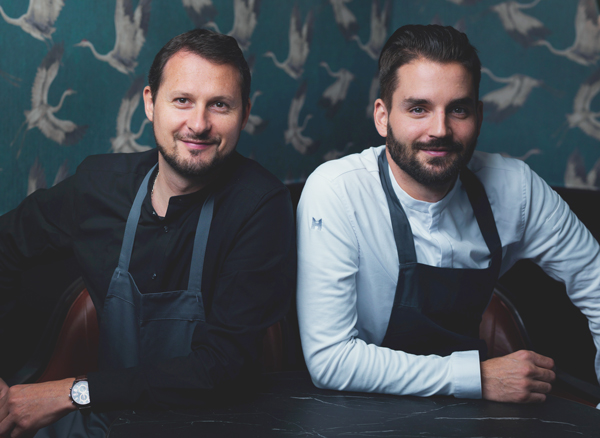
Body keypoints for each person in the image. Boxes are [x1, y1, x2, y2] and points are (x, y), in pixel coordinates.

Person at [0, 29, 296, 437]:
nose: (198, 123)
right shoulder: (99, 185)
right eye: (182, 101)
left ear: (244, 114)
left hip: (215, 426)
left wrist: (74, 392)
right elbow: (6, 244)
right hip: (107, 424)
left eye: (220, 105)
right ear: (150, 103)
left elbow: (223, 366)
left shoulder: (261, 205)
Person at [296, 24, 600, 404]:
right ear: (382, 116)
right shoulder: (337, 191)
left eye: (458, 109)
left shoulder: (516, 189)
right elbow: (331, 360)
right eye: (418, 108)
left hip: (470, 419)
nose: (439, 130)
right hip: (355, 412)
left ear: (479, 114)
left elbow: (597, 283)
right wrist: (478, 378)